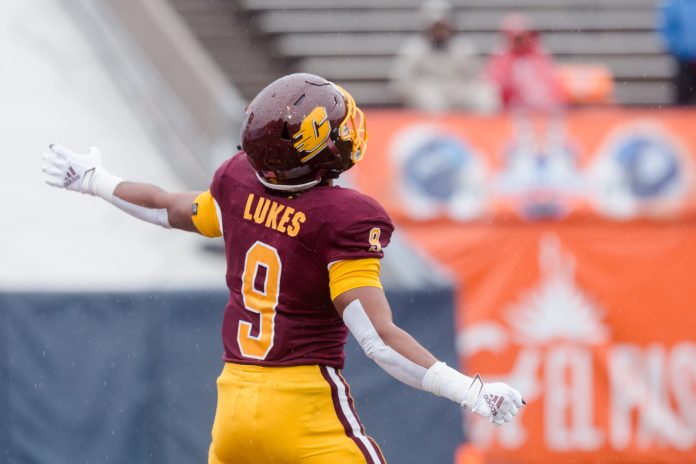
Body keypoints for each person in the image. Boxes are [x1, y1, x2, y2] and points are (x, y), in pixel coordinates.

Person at [42, 73, 524, 463]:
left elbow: (170, 208)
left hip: (233, 408)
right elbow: (378, 340)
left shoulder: (237, 185)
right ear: (317, 153)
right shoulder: (344, 219)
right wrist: (469, 390)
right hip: (303, 409)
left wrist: (96, 181)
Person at [390, 0, 497, 113]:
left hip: (457, 90)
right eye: (436, 26)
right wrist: (418, 90)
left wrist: (460, 87)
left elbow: (478, 76)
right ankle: (438, 130)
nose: (439, 31)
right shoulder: (414, 48)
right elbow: (400, 81)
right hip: (429, 92)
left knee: (484, 95)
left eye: (442, 26)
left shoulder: (462, 47)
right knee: (431, 99)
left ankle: (483, 130)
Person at [485, 14, 565, 114]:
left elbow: (553, 85)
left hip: (546, 111)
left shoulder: (539, 55)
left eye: (525, 36)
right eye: (518, 38)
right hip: (515, 113)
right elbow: (496, 85)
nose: (523, 41)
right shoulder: (502, 58)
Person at [659, 0, 696, 105]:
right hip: (685, 62)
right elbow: (667, 33)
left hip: (686, 59)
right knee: (682, 103)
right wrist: (684, 51)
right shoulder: (674, 5)